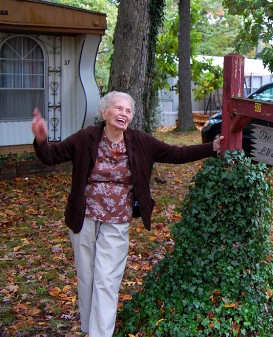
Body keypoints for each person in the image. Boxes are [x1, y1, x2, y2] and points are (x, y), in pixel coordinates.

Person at [31, 91, 224, 337]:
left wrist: (211, 147)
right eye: (118, 108)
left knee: (107, 280)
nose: (123, 113)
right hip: (84, 216)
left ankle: (101, 333)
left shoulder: (139, 141)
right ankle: (90, 327)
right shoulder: (86, 138)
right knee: (87, 276)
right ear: (105, 113)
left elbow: (175, 153)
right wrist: (41, 139)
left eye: (128, 110)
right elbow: (51, 156)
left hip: (117, 220)